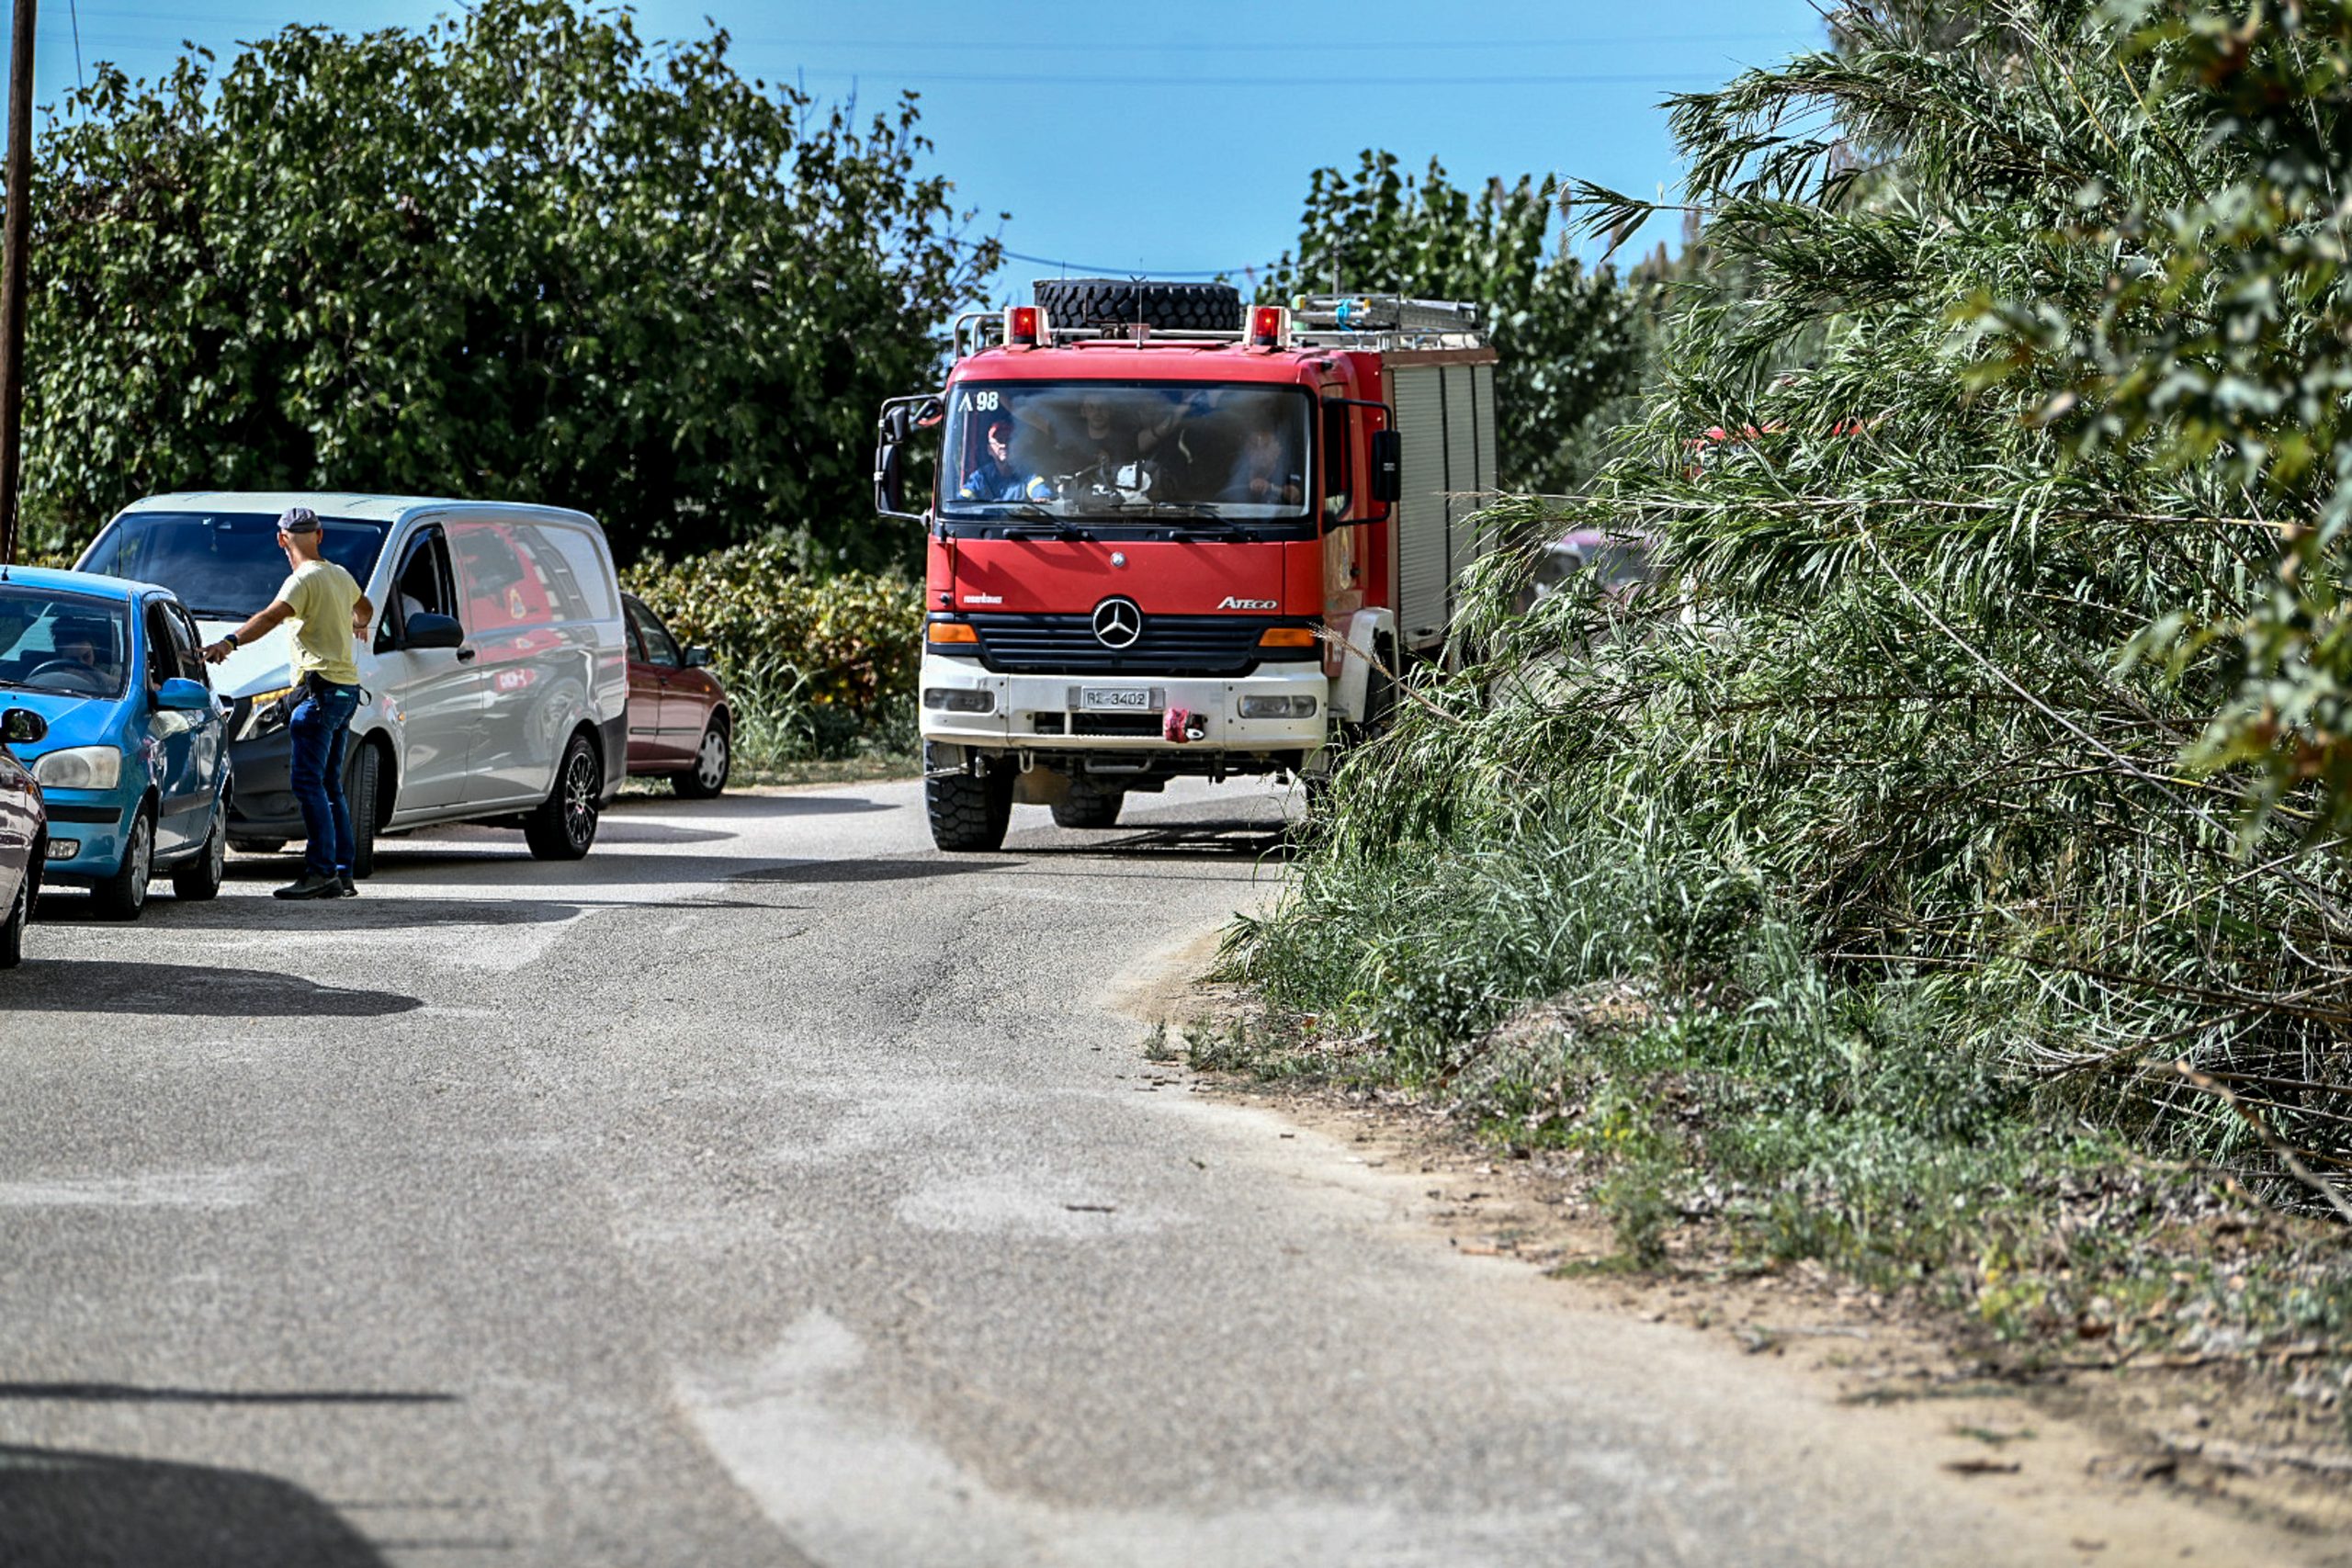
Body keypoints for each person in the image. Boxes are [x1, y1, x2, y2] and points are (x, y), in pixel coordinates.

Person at [203, 506, 375, 900]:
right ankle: (342, 873)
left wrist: (228, 643)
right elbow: (364, 610)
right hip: (346, 691)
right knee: (331, 784)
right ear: (320, 535)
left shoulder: (301, 581)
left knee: (307, 783)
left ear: (282, 539)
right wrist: (354, 624)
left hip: (318, 695)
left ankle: (320, 873)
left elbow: (269, 617)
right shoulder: (339, 575)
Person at [957, 414, 1050, 502]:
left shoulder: (1026, 473)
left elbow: (1038, 487)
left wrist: (1041, 497)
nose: (1004, 445)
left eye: (1008, 440)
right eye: (999, 440)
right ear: (989, 450)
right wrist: (959, 502)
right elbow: (964, 496)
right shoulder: (981, 477)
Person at [1222, 423, 1305, 508]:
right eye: (1254, 446)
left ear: (1278, 450)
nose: (1260, 452)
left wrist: (1270, 488)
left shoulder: (1288, 476)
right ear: (1247, 451)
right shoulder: (1232, 477)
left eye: (1266, 446)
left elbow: (1295, 496)